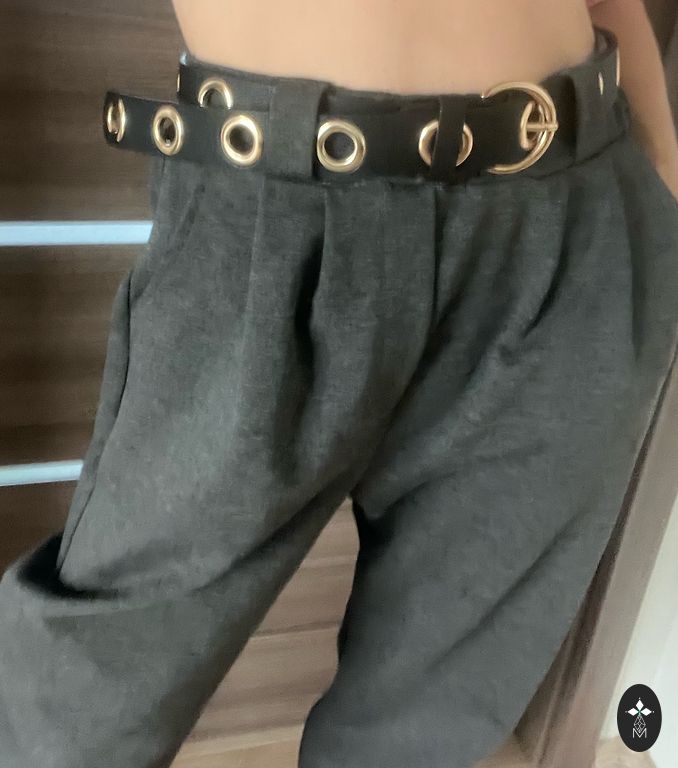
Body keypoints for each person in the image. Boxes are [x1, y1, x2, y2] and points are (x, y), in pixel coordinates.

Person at [1, 1, 677, 767]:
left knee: (430, 720)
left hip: (580, 214)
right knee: (80, 699)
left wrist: (659, 181)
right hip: (270, 211)